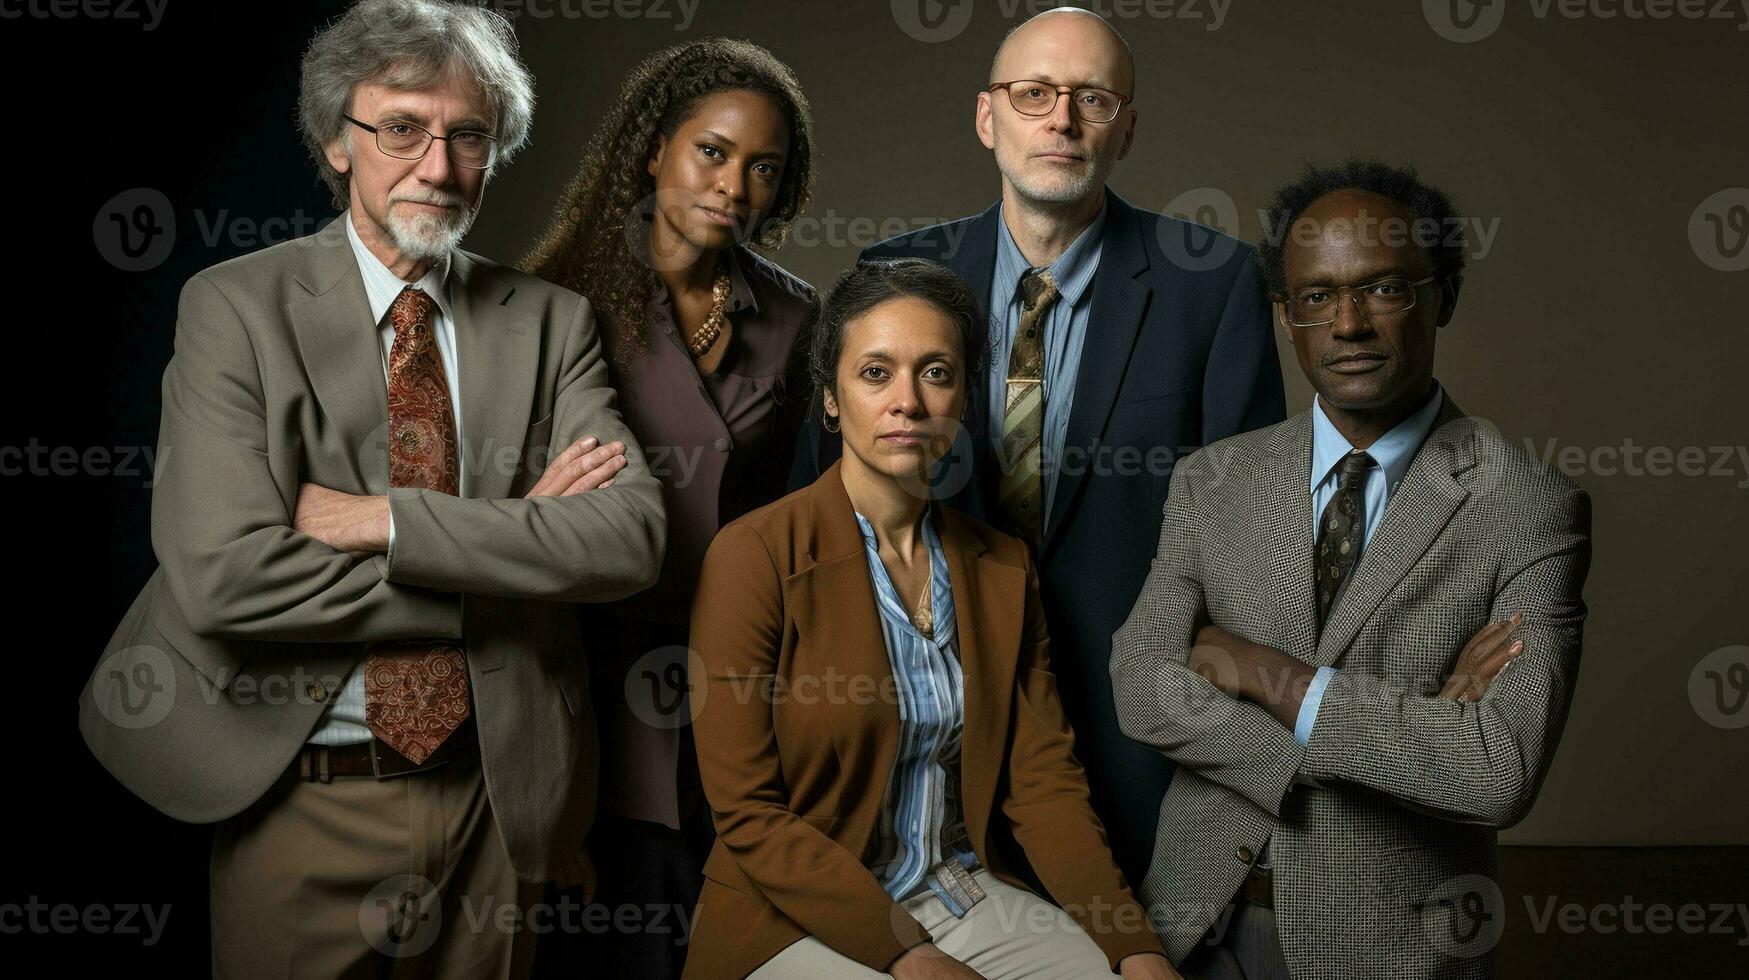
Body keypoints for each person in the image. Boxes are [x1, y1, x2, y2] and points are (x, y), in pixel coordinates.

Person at [76, 2, 665, 975]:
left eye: (467, 135)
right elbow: (224, 576)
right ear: (334, 140)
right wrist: (516, 548)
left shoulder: (553, 324)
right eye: (400, 127)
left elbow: (629, 539)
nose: (437, 166)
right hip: (300, 795)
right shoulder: (235, 308)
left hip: (498, 804)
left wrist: (383, 520)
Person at [789, 6, 1284, 885]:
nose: (1060, 119)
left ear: (1125, 128)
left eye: (1091, 98)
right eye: (1033, 94)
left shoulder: (1211, 285)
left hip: (1134, 724)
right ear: (988, 118)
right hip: (925, 711)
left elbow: (1249, 539)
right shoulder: (893, 275)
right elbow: (820, 507)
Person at [1110, 160, 1592, 979]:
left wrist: (1264, 673)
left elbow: (1495, 769)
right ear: (1286, 317)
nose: (1348, 324)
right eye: (1316, 297)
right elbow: (1138, 685)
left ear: (1442, 297)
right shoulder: (1209, 480)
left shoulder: (1527, 506)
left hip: (1388, 947)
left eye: (1383, 289)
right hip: (1190, 926)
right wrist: (1414, 733)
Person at [685, 258, 1178, 980]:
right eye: (875, 373)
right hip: (789, 917)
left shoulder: (1002, 567)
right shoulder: (752, 557)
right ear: (830, 398)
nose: (907, 402)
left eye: (936, 373)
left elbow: (1043, 785)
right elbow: (748, 813)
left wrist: (1131, 944)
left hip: (957, 892)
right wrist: (905, 955)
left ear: (963, 400)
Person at [521, 37, 819, 977]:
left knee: (728, 933)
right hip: (588, 665)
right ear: (654, 151)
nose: (733, 184)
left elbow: (804, 509)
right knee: (608, 925)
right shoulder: (554, 301)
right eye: (713, 152)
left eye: (761, 167)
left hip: (738, 666)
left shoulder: (797, 318)